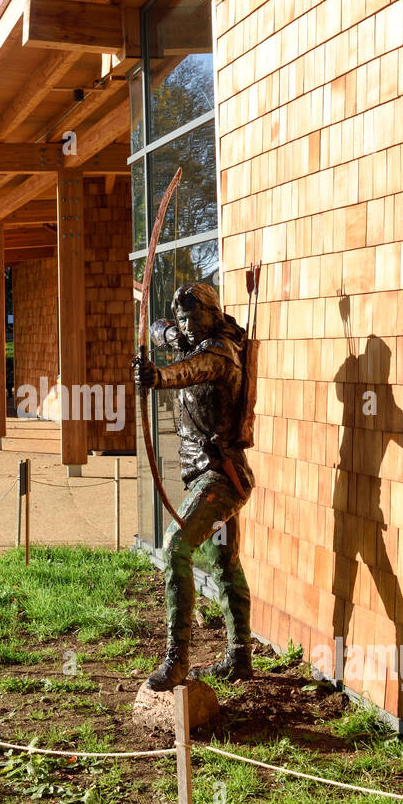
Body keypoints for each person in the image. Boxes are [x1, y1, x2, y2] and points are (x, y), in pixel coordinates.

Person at [132, 282, 254, 691]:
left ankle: (177, 659)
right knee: (224, 562)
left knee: (176, 545)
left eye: (193, 315)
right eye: (182, 316)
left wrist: (158, 376)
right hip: (209, 476)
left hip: (221, 478)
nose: (186, 323)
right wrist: (170, 332)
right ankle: (239, 658)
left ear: (213, 313)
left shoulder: (219, 352)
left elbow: (189, 371)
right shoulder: (188, 338)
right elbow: (158, 327)